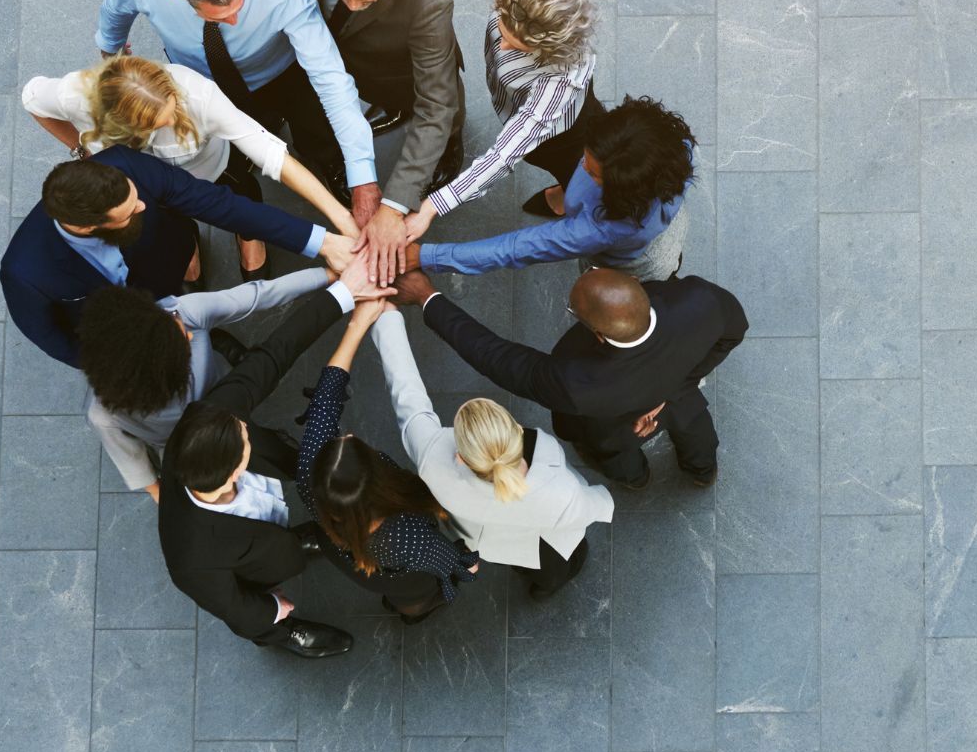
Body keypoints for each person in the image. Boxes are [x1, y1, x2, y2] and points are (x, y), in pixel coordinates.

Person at [96, 0, 386, 274]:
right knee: (220, 157)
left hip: (279, 72)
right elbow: (115, 8)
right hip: (200, 80)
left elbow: (330, 77)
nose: (234, 23)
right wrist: (112, 55)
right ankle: (244, 217)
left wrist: (362, 177)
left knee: (315, 127)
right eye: (221, 18)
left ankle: (333, 169)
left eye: (239, 7)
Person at [158, 281, 379, 659]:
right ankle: (285, 635)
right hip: (261, 563)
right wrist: (273, 611)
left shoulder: (204, 419)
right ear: (234, 472)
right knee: (269, 604)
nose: (247, 426)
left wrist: (343, 293)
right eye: (245, 440)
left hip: (265, 503)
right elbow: (234, 608)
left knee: (298, 475)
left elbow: (275, 354)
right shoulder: (191, 559)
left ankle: (308, 535)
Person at [392, 265, 748, 489]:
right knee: (696, 431)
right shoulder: (699, 300)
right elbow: (734, 331)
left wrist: (427, 296)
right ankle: (702, 471)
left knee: (615, 456)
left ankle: (636, 479)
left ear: (596, 333)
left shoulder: (575, 383)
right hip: (679, 399)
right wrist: (675, 389)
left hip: (614, 427)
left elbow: (494, 356)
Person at [1, 149, 355, 367]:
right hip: (126, 322)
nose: (142, 206)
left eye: (136, 199)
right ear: (86, 227)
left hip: (166, 256)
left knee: (187, 286)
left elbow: (219, 204)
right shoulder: (25, 273)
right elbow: (58, 342)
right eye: (128, 213)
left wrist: (322, 243)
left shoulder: (126, 165)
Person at [23, 53, 357, 281]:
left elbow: (268, 151)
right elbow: (32, 99)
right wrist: (80, 148)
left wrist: (340, 216)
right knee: (164, 232)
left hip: (211, 175)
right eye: (156, 124)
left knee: (242, 198)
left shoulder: (197, 95)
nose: (171, 121)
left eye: (171, 111)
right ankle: (187, 248)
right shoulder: (74, 95)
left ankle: (249, 235)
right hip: (141, 192)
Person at [76, 261, 375, 502]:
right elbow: (133, 461)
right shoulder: (102, 414)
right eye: (182, 341)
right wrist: (162, 495)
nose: (189, 333)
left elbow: (259, 295)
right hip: (187, 439)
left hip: (221, 386)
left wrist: (328, 275)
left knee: (267, 441)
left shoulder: (180, 311)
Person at [370, 308, 614, 599]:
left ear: (460, 457)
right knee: (558, 567)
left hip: (493, 542)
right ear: (515, 430)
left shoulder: (432, 458)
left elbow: (406, 392)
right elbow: (587, 507)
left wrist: (385, 317)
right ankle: (547, 586)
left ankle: (542, 584)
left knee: (527, 565)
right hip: (548, 538)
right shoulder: (561, 490)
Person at [305, 0, 468, 284]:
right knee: (383, 93)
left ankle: (448, 154)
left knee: (439, 116)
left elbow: (436, 103)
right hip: (362, 60)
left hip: (407, 66)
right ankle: (393, 107)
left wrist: (394, 206)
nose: (353, 4)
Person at [297, 299, 480, 624]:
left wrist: (358, 324)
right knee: (417, 597)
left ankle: (406, 610)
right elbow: (443, 559)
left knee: (400, 596)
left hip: (345, 553)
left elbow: (325, 402)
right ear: (378, 482)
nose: (349, 437)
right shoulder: (406, 534)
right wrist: (467, 563)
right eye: (354, 446)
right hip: (402, 571)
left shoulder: (311, 471)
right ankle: (413, 613)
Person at [398, 0, 600, 241]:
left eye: (517, 46)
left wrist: (433, 206)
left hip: (559, 136)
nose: (502, 46)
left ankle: (569, 196)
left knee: (573, 168)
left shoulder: (560, 80)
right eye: (502, 31)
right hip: (520, 103)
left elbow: (504, 155)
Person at [411, 97, 696, 282]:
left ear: (622, 190)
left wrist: (426, 256)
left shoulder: (600, 229)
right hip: (665, 223)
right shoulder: (674, 149)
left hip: (634, 264)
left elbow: (517, 248)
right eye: (586, 157)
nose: (582, 167)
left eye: (594, 174)